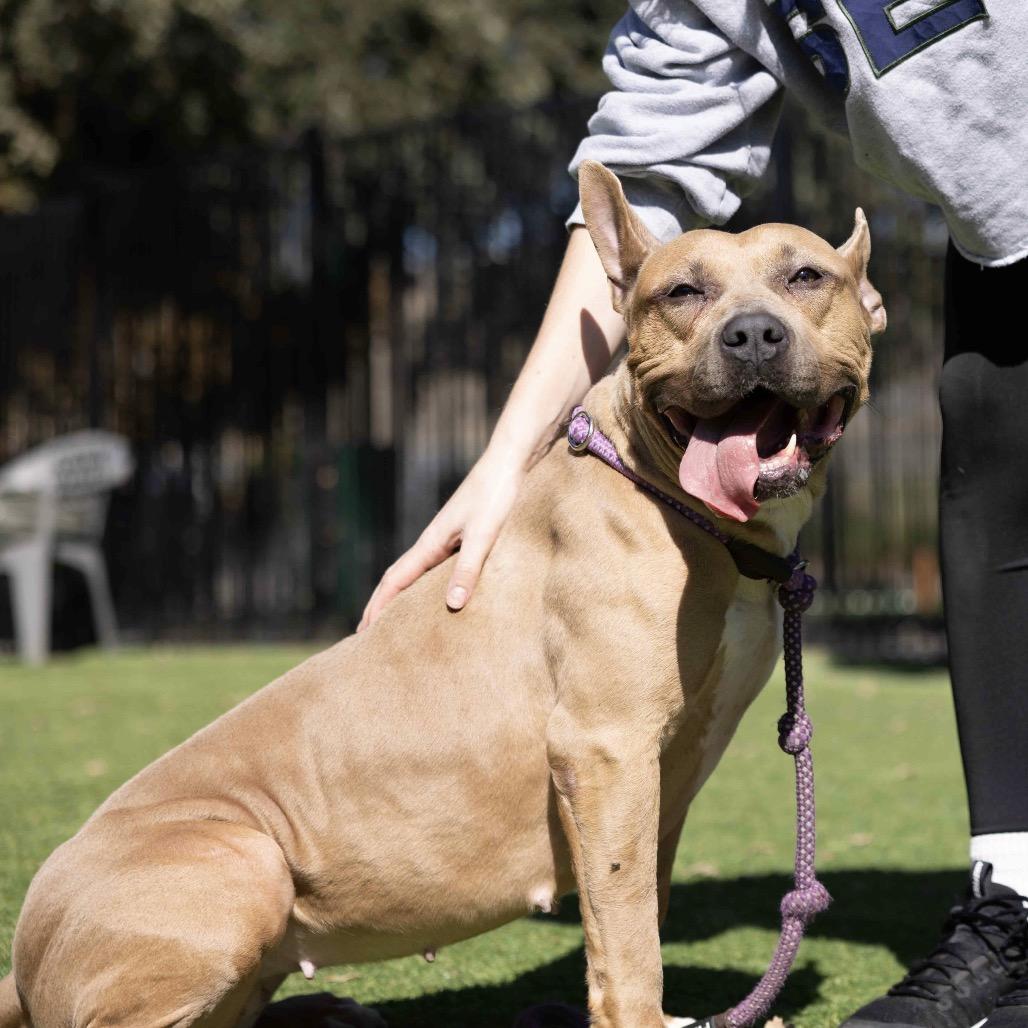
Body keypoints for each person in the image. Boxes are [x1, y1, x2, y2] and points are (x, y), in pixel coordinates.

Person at [359, 3, 1028, 1025]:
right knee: (985, 459)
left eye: (803, 282)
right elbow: (649, 167)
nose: (752, 326)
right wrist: (505, 459)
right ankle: (1013, 906)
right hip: (1001, 229)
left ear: (861, 303)